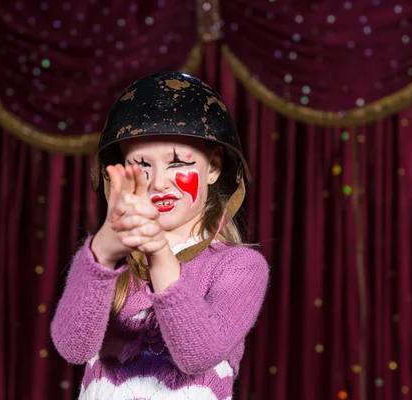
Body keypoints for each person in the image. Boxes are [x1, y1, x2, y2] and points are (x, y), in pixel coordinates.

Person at [51, 71, 269, 400]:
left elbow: (198, 355)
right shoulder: (106, 264)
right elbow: (73, 348)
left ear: (212, 167)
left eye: (178, 163)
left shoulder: (240, 266)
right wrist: (102, 257)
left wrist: (159, 254)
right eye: (142, 166)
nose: (159, 183)